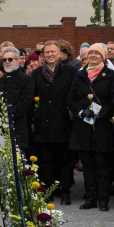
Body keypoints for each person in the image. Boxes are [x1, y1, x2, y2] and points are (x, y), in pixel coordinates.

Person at [68, 44, 114, 211]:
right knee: (87, 165)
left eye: (97, 53)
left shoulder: (111, 75)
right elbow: (71, 99)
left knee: (102, 165)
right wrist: (81, 112)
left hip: (102, 126)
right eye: (90, 53)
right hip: (83, 125)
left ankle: (103, 200)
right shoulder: (80, 75)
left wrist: (101, 113)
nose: (93, 56)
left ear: (103, 56)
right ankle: (90, 198)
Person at [32, 41, 76, 205]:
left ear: (60, 54)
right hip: (43, 123)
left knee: (65, 160)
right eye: (47, 52)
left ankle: (65, 192)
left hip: (63, 122)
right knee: (45, 161)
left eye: (53, 52)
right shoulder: (36, 74)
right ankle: (47, 191)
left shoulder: (70, 72)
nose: (50, 54)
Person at [0, 46, 36, 153]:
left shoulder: (26, 79)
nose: (7, 62)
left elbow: (26, 102)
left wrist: (9, 114)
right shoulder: (0, 81)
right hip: (2, 128)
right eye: (4, 60)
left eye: (10, 59)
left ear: (17, 60)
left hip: (20, 127)